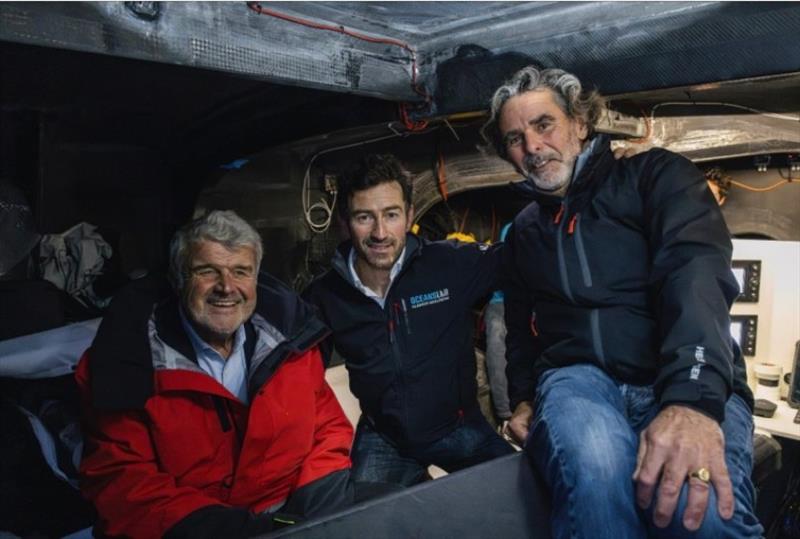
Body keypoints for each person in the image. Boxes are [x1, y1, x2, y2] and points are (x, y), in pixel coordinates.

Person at [481, 66, 761, 538]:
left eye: (543, 124)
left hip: (677, 375)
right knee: (595, 476)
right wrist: (524, 398)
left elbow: (694, 277)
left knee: (702, 515)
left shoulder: (657, 176)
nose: (531, 147)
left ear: (580, 123)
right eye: (514, 137)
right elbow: (518, 321)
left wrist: (692, 402)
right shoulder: (525, 230)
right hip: (579, 380)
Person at [76, 210, 355, 539]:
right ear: (180, 277)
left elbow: (329, 428)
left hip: (293, 514)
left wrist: (313, 512)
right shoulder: (128, 363)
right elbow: (123, 484)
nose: (227, 287)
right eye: (207, 271)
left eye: (241, 271)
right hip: (195, 530)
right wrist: (244, 530)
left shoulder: (291, 343)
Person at [304, 154, 514, 488]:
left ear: (410, 215)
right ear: (344, 221)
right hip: (385, 440)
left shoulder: (449, 264)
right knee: (365, 524)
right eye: (364, 217)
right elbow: (298, 382)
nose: (380, 232)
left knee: (519, 496)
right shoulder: (324, 296)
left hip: (460, 430)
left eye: (391, 215)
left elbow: (531, 252)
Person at [484, 221, 513, 423]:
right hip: (503, 299)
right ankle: (506, 414)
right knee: (496, 332)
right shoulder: (513, 229)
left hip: (539, 297)